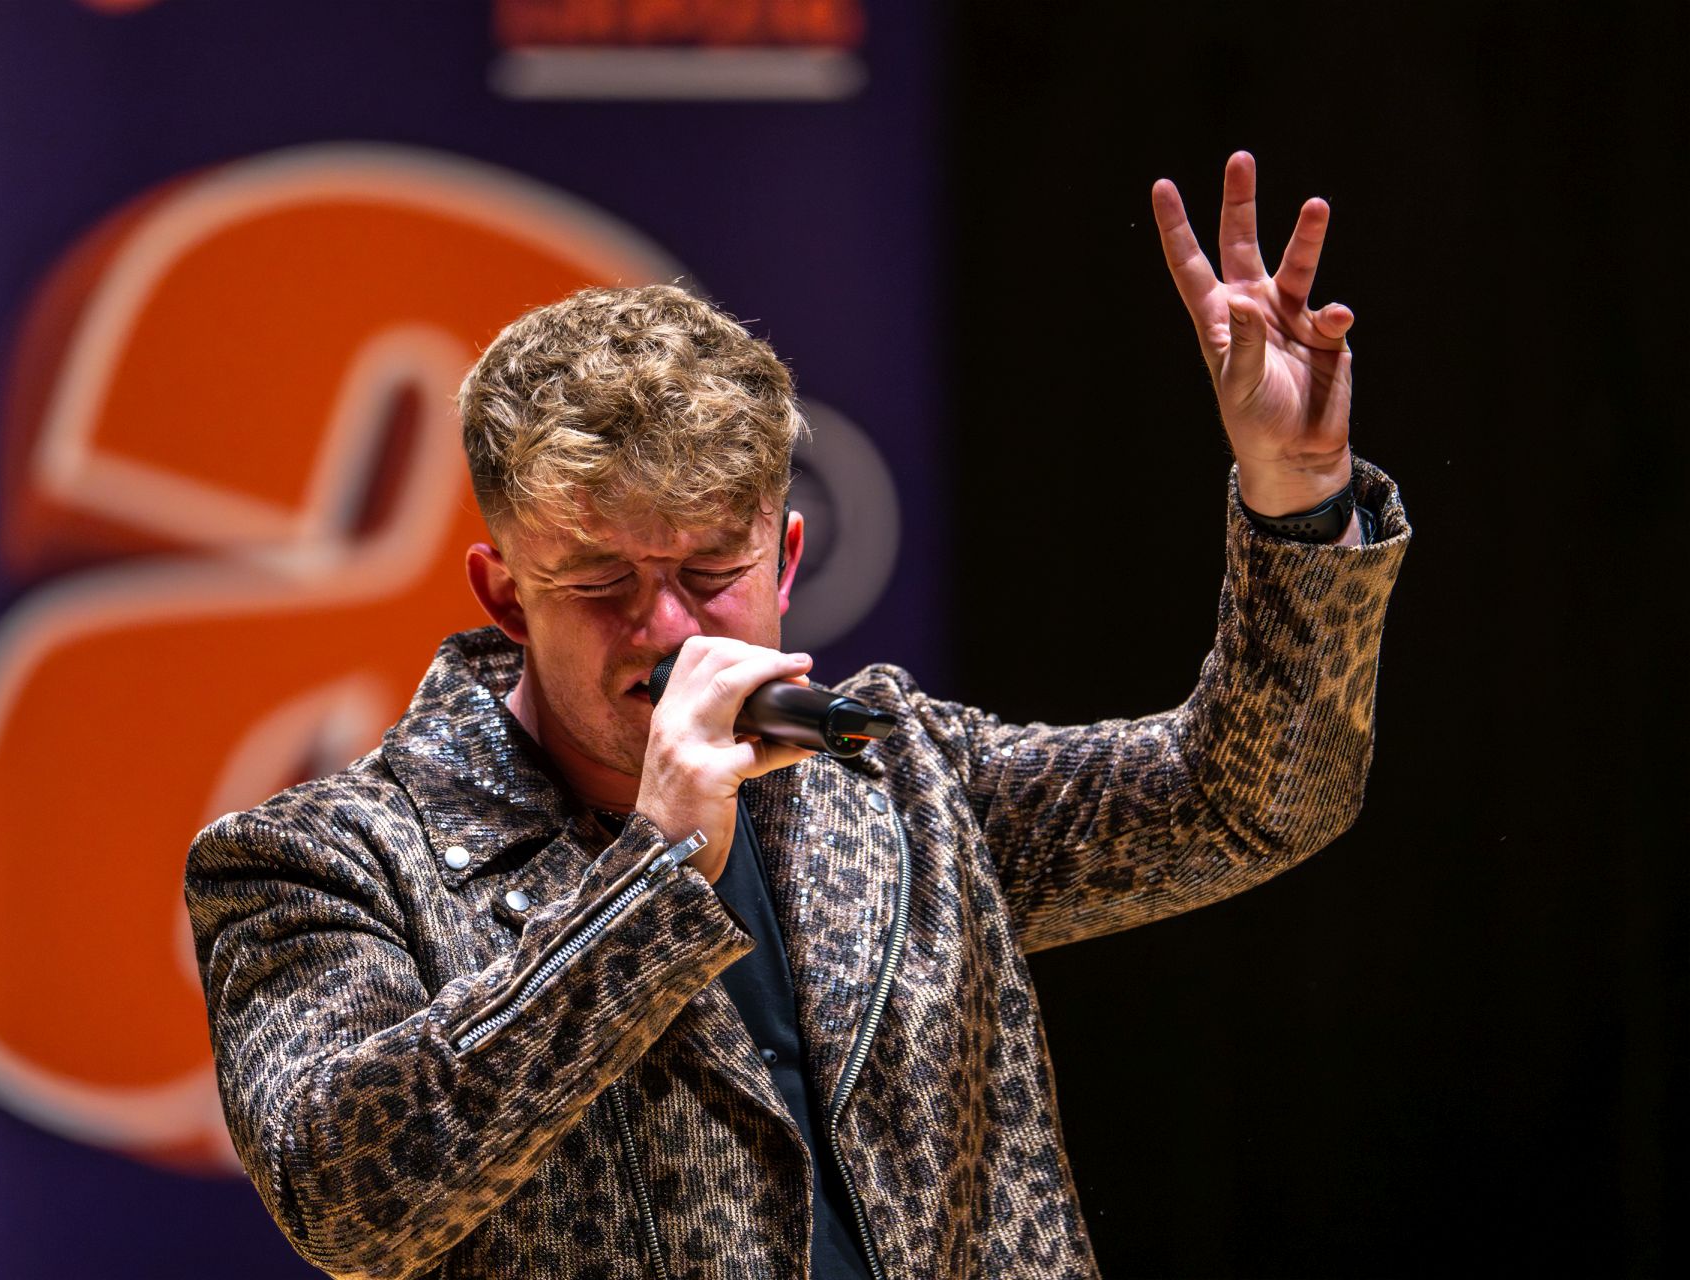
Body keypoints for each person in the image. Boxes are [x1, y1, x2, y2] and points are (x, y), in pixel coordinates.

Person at [185, 151, 1412, 1279]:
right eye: (602, 581)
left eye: (711, 571)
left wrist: (1299, 500)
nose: (667, 626)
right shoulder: (320, 860)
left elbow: (1254, 800)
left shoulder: (898, 770)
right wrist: (653, 868)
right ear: (505, 593)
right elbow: (352, 1204)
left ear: (784, 557)